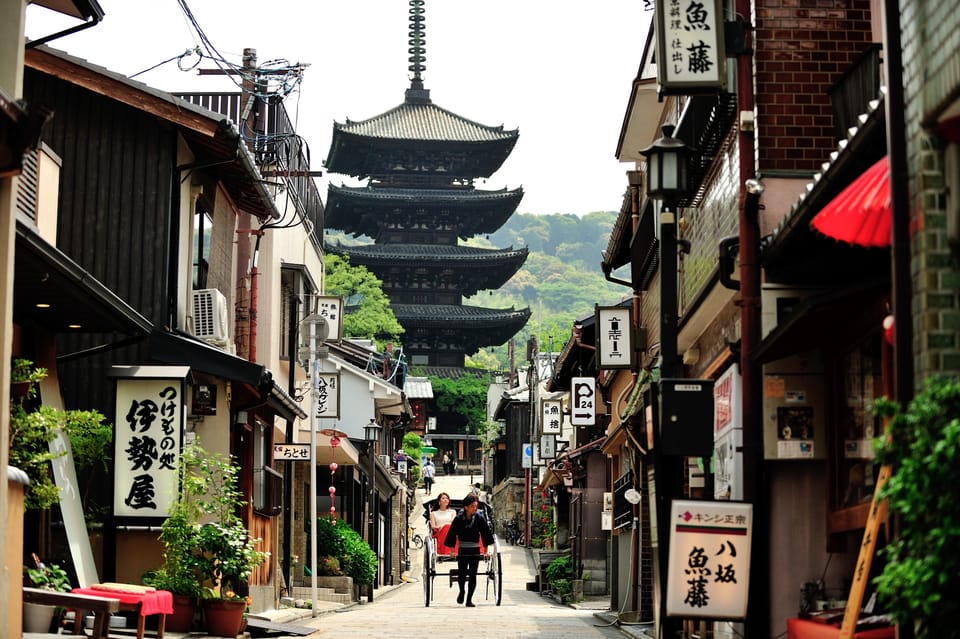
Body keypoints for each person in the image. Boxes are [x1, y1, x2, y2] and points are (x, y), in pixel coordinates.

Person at [443, 494, 494, 607]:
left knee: (473, 575)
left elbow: (485, 534)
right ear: (466, 507)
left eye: (476, 506)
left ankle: (469, 599)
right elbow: (452, 534)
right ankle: (462, 591)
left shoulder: (480, 518)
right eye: (472, 506)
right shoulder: (458, 519)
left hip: (475, 549)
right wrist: (452, 551)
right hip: (462, 549)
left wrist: (485, 551)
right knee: (462, 573)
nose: (475, 508)